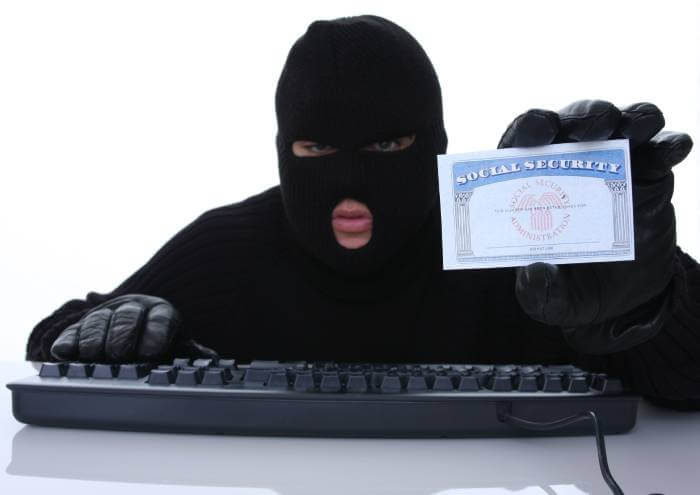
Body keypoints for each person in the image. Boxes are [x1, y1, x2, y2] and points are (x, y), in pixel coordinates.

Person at [26, 15, 700, 410]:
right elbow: (57, 339)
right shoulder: (227, 249)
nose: (348, 182)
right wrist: (121, 329)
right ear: (284, 151)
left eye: (385, 144)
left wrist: (653, 301)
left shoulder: (510, 244)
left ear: (434, 146)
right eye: (316, 146)